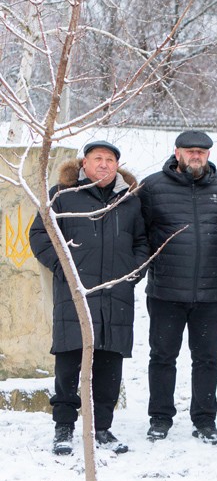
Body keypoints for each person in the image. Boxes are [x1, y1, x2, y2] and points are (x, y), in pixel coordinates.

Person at [31, 141, 148, 456]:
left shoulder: (130, 201)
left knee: (110, 365)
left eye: (110, 160)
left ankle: (102, 429)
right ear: (84, 163)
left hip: (116, 295)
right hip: (75, 293)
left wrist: (133, 273)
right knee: (69, 364)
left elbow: (142, 241)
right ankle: (64, 429)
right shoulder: (62, 194)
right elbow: (40, 235)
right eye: (98, 159)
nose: (105, 164)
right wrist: (63, 268)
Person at [141, 131, 217, 445]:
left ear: (208, 155)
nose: (195, 156)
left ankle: (205, 420)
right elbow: (141, 232)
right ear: (177, 152)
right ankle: (160, 418)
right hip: (166, 291)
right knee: (162, 357)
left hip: (210, 293)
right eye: (190, 151)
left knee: (207, 359)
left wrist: (211, 255)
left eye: (201, 151)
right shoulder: (153, 187)